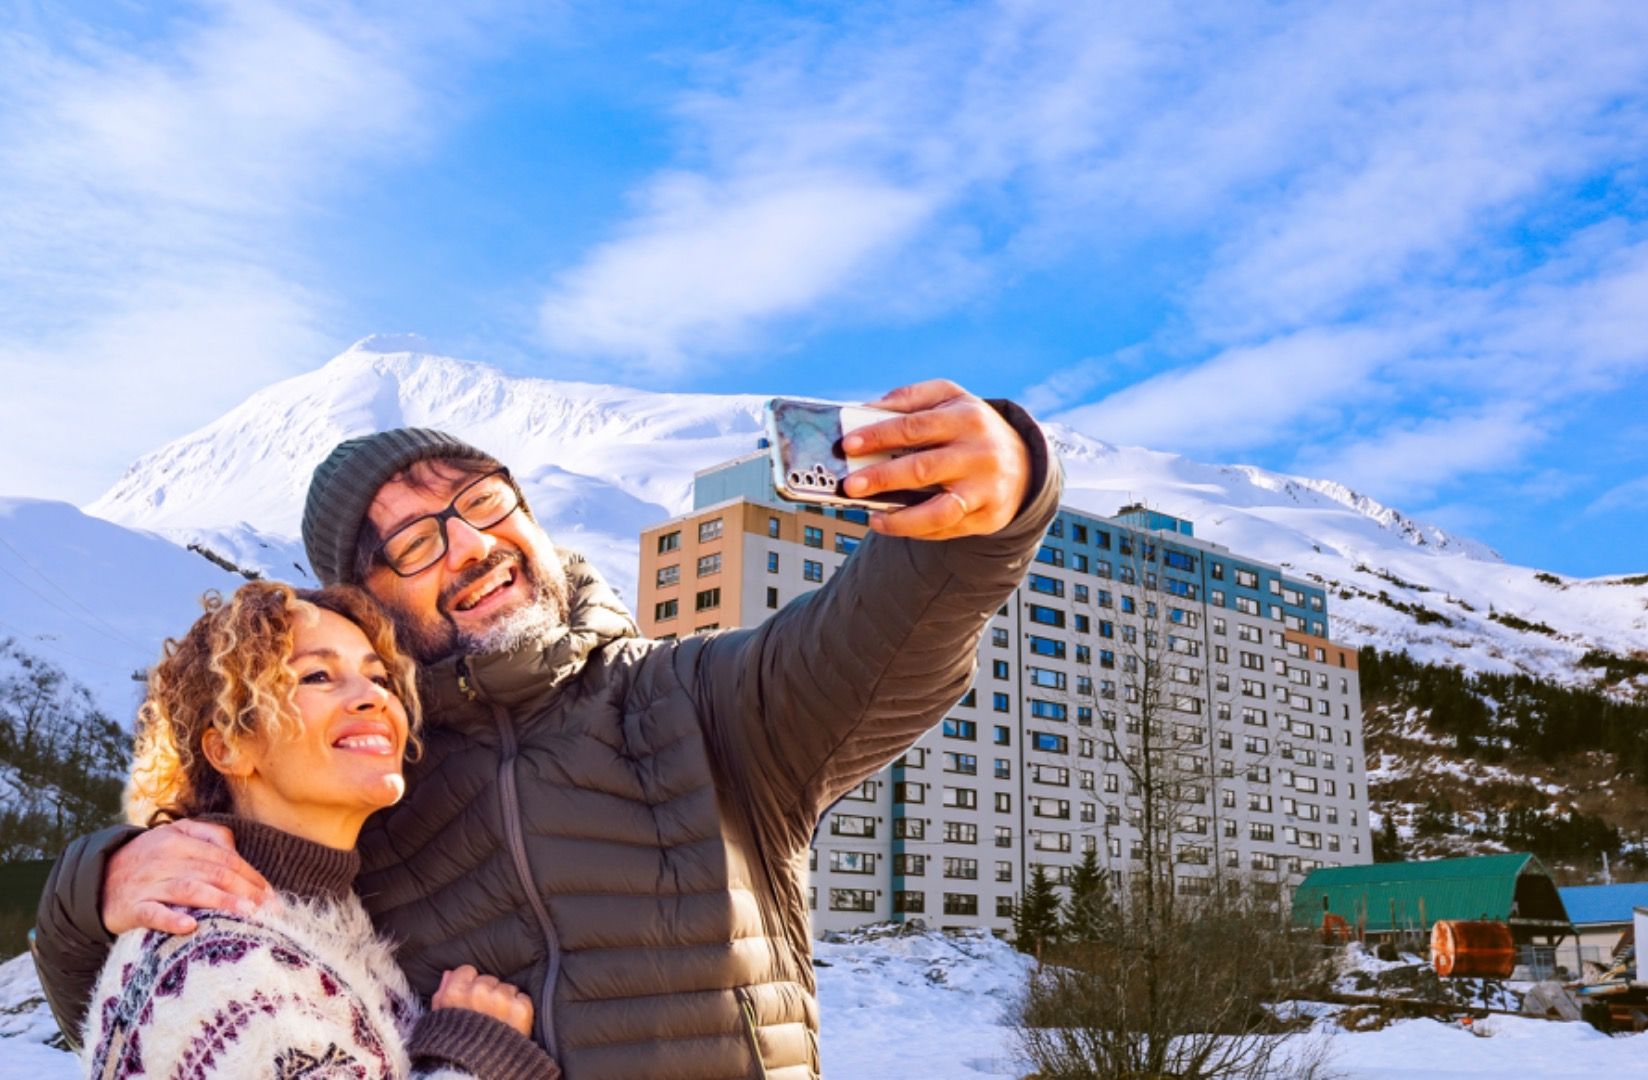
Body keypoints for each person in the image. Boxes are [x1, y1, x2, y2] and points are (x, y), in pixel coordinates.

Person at [38, 379, 1060, 1078]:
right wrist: (95, 890)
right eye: (416, 543)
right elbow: (156, 1018)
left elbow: (884, 636)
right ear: (368, 605)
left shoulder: (701, 702)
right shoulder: (369, 793)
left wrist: (993, 504)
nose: (471, 546)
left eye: (486, 503)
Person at [85, 581, 558, 1080]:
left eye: (379, 678)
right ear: (229, 748)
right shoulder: (210, 957)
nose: (374, 697)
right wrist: (479, 1052)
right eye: (317, 676)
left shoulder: (323, 919)